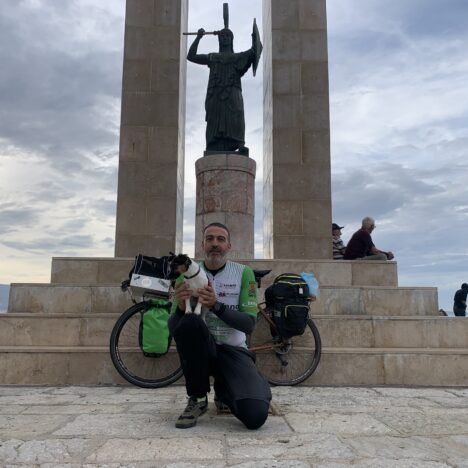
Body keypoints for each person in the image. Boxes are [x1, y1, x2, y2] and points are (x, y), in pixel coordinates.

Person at [168, 222, 271, 430]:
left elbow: (249, 324)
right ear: (202, 245)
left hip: (233, 351)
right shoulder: (186, 273)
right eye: (210, 239)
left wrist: (215, 305)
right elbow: (173, 329)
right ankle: (197, 398)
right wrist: (180, 308)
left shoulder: (243, 273)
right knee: (189, 321)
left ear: (229, 246)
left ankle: (225, 391)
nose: (215, 244)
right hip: (202, 350)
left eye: (221, 239)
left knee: (255, 415)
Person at [187, 24, 259, 155]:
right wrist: (198, 38)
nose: (225, 38)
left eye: (227, 36)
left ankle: (239, 143)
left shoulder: (239, 57)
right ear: (219, 39)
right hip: (215, 94)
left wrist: (254, 38)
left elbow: (255, 50)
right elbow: (191, 56)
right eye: (222, 36)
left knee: (236, 115)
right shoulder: (213, 57)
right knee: (214, 119)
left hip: (233, 93)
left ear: (232, 39)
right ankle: (213, 144)